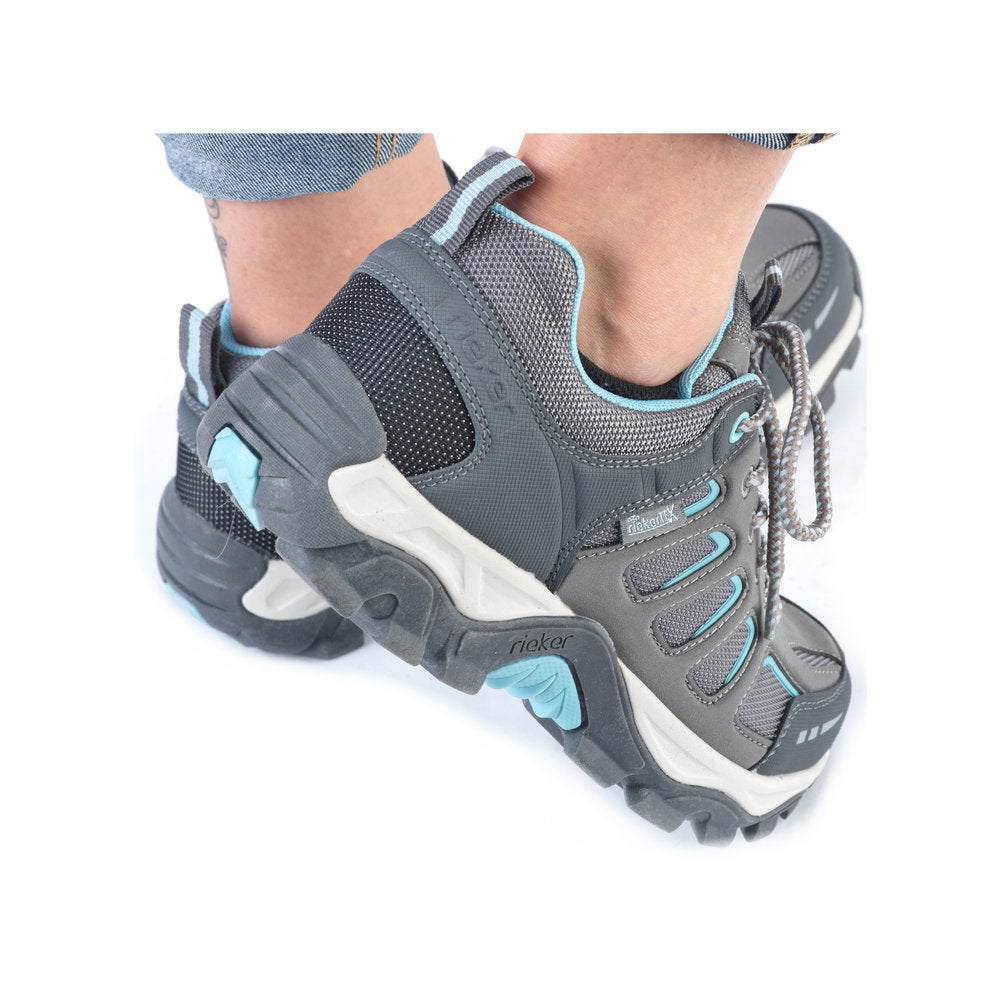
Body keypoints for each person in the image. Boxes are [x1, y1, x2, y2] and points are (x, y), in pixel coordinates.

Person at [156, 133, 860, 843]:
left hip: (351, 394)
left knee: (368, 316)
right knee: (620, 270)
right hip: (530, 427)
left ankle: (316, 340)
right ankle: (618, 333)